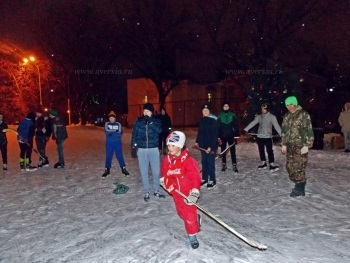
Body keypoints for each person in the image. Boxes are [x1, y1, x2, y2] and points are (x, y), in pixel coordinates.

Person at [160, 131, 201, 249]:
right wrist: (166, 183)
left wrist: (194, 192)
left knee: (189, 216)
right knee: (181, 213)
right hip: (176, 194)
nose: (169, 148)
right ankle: (194, 220)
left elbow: (195, 178)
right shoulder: (167, 161)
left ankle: (192, 236)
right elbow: (165, 175)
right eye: (168, 145)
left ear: (180, 146)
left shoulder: (188, 161)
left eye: (172, 145)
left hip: (188, 193)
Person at [131, 102, 165, 201]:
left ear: (151, 112)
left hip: (153, 149)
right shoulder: (139, 121)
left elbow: (159, 130)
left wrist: (150, 122)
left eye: (148, 111)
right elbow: (134, 134)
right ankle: (146, 192)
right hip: (142, 150)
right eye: (145, 110)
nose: (146, 113)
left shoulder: (156, 121)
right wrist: (133, 147)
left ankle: (156, 190)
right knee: (144, 172)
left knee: (156, 171)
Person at [281, 96, 314, 197]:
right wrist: (284, 144)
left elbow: (309, 130)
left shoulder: (304, 114)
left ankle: (300, 188)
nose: (289, 107)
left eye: (290, 104)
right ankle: (299, 183)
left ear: (295, 103)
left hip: (300, 145)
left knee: (299, 167)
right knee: (290, 167)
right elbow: (284, 131)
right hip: (290, 145)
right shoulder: (286, 116)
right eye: (287, 105)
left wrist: (307, 145)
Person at [243, 103, 282, 172]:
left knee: (269, 150)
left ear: (267, 109)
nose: (262, 110)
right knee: (261, 150)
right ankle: (263, 162)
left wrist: (281, 134)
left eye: (264, 108)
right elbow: (253, 123)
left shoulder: (272, 117)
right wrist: (246, 129)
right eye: (262, 108)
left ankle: (271, 163)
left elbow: (276, 126)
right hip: (260, 136)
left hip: (268, 137)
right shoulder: (259, 117)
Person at [194, 104, 218, 189]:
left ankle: (212, 179)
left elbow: (214, 135)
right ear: (202, 112)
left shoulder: (213, 121)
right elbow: (200, 133)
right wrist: (197, 142)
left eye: (207, 110)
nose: (205, 111)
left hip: (211, 146)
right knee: (204, 162)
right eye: (204, 110)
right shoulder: (201, 121)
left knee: (210, 162)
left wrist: (211, 147)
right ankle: (204, 178)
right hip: (203, 146)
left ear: (209, 111)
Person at [101, 111, 129, 178]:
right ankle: (107, 169)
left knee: (119, 155)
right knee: (108, 156)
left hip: (117, 143)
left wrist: (112, 132)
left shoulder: (118, 124)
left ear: (115, 118)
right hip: (109, 143)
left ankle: (123, 168)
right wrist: (114, 132)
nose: (111, 119)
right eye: (110, 118)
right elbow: (107, 131)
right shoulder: (107, 124)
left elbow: (119, 133)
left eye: (113, 118)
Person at [217, 102, 240, 173]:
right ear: (222, 107)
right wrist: (218, 137)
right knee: (223, 151)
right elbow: (218, 127)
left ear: (229, 107)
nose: (226, 107)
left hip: (231, 136)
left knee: (233, 151)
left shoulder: (232, 115)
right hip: (222, 136)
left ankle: (234, 164)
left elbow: (236, 126)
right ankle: (224, 164)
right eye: (225, 106)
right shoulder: (220, 116)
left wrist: (236, 136)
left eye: (227, 106)